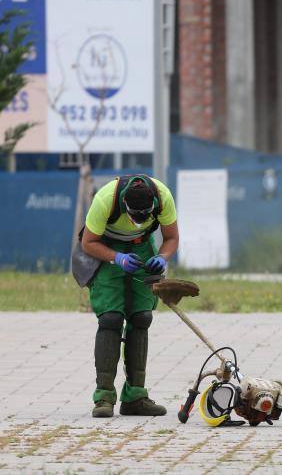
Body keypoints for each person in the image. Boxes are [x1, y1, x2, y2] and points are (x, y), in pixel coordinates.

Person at [80, 174, 179, 417]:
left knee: (142, 317)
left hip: (142, 246)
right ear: (125, 205)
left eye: (144, 215)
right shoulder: (105, 199)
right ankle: (103, 397)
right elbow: (88, 242)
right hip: (107, 248)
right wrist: (117, 258)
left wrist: (162, 258)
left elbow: (171, 237)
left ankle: (135, 396)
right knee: (111, 319)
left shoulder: (163, 197)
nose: (139, 220)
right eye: (135, 216)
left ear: (153, 207)